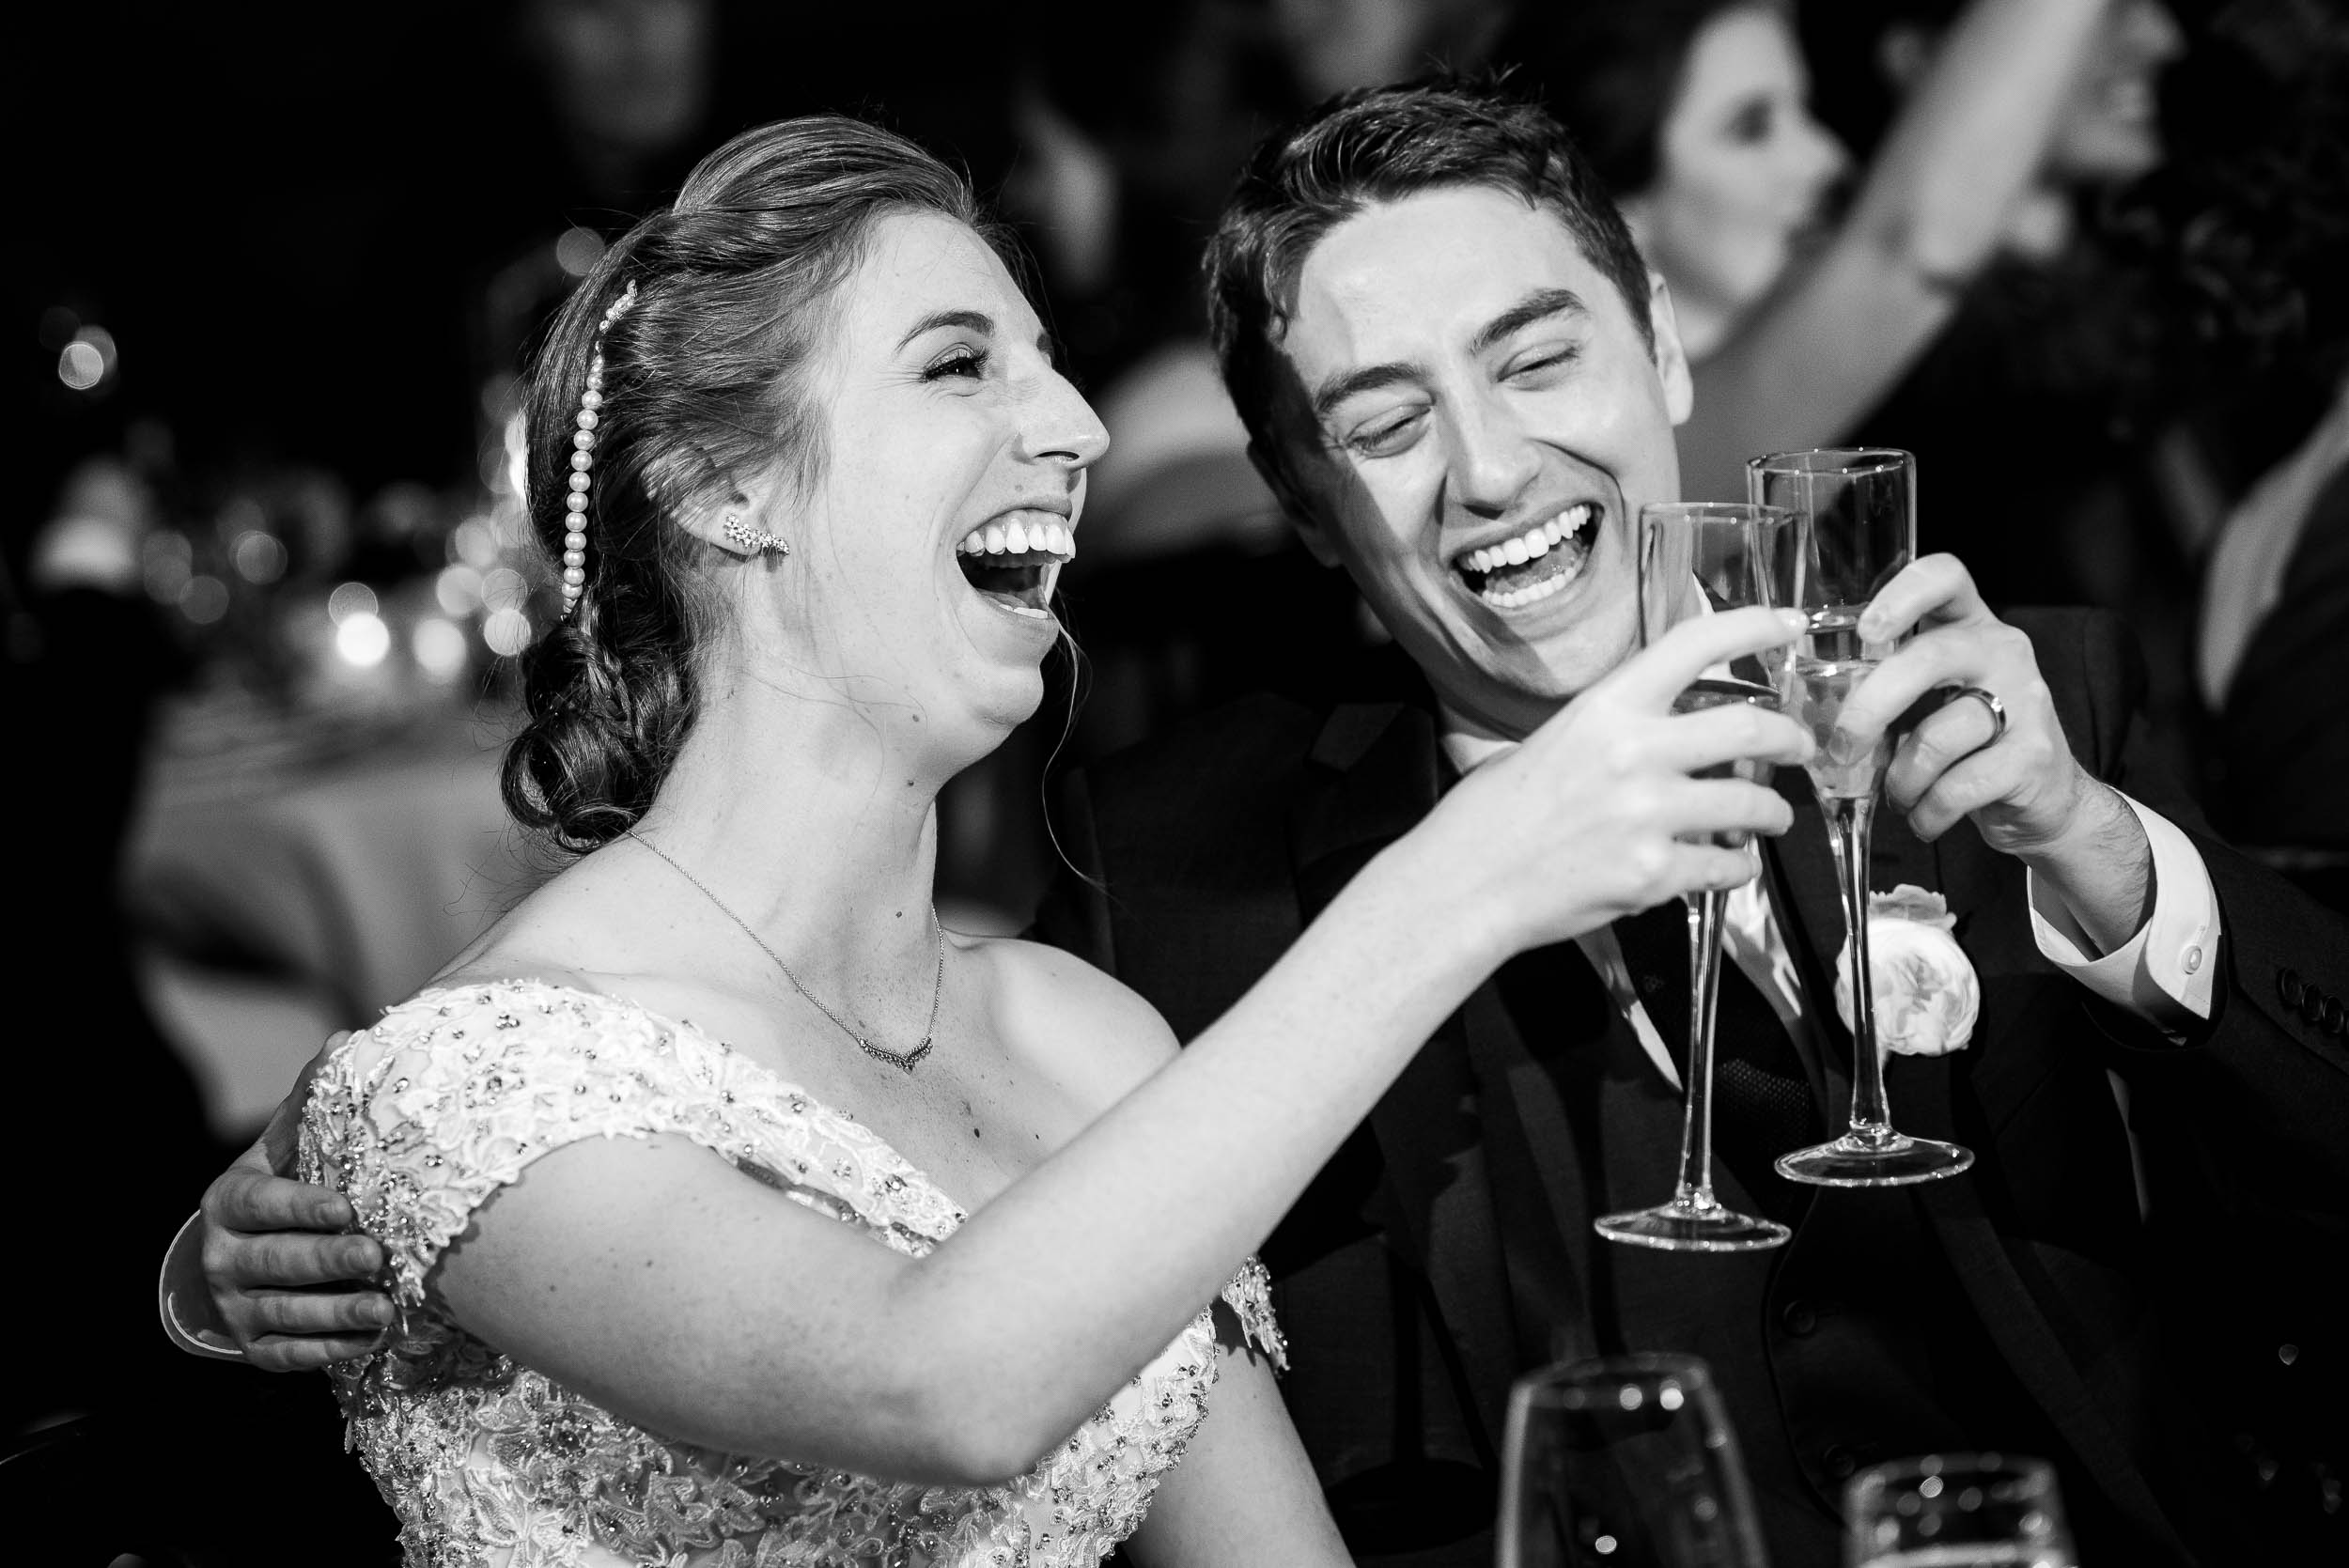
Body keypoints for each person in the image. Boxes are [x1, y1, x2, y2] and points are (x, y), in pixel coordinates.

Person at [179, 84, 2349, 1564]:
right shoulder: (1186, 879)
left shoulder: (2024, 699)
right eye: (1387, 424)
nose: (1491, 474)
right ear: (1308, 511)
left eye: (1539, 360)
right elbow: (883, 1292)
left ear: (1669, 344)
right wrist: (240, 1252)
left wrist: (2110, 863)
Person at [1491, 0, 2161, 502]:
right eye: (1752, 128)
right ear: (1621, 214)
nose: (1825, 160)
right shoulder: (1654, 454)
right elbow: (1911, 249)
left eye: (1804, 113)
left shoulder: (1918, 401)